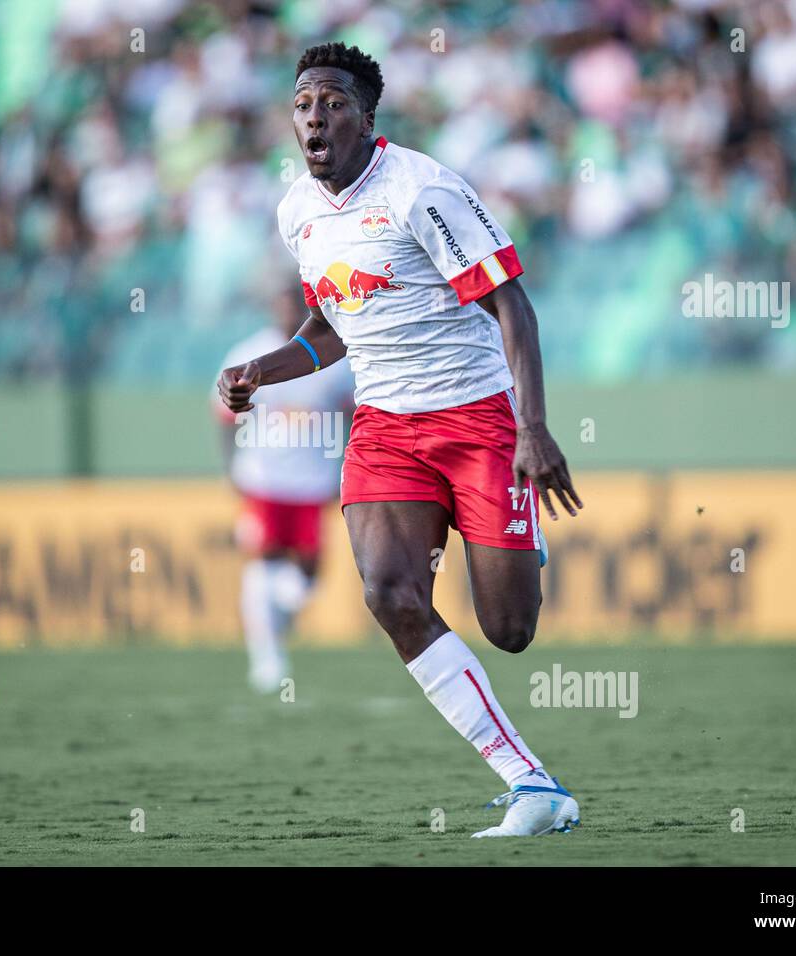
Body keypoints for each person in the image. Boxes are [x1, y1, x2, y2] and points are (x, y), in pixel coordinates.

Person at [217, 43, 584, 837]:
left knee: (510, 631)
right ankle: (533, 785)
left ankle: (522, 546)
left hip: (478, 419)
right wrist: (261, 369)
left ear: (367, 117)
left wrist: (534, 427)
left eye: (335, 102)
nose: (316, 116)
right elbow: (331, 329)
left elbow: (512, 304)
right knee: (389, 595)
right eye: (304, 102)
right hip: (384, 427)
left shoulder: (424, 189)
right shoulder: (297, 213)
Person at [214, 284, 355, 693]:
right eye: (280, 303)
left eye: (294, 303)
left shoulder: (332, 359)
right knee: (264, 561)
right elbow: (224, 416)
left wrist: (345, 466)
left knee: (305, 579)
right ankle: (267, 660)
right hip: (264, 478)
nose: (287, 311)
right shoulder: (248, 354)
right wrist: (231, 469)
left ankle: (277, 609)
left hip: (313, 481)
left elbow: (353, 413)